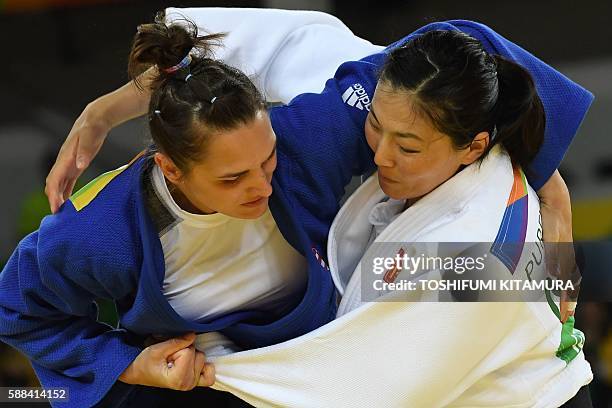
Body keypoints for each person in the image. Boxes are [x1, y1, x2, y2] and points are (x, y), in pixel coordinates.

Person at [1, 8, 591, 408]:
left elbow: (453, 48)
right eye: (233, 178)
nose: (262, 187)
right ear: (169, 167)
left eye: (267, 161)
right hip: (210, 375)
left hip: (432, 363)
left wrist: (552, 183)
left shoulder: (311, 138)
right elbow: (16, 312)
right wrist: (132, 366)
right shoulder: (99, 234)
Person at [188, 29, 593, 407]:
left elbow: (352, 390)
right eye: (376, 125)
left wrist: (210, 363)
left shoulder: (476, 250)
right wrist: (554, 189)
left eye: (408, 147)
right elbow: (465, 33)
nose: (381, 156)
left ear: (473, 147)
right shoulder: (485, 146)